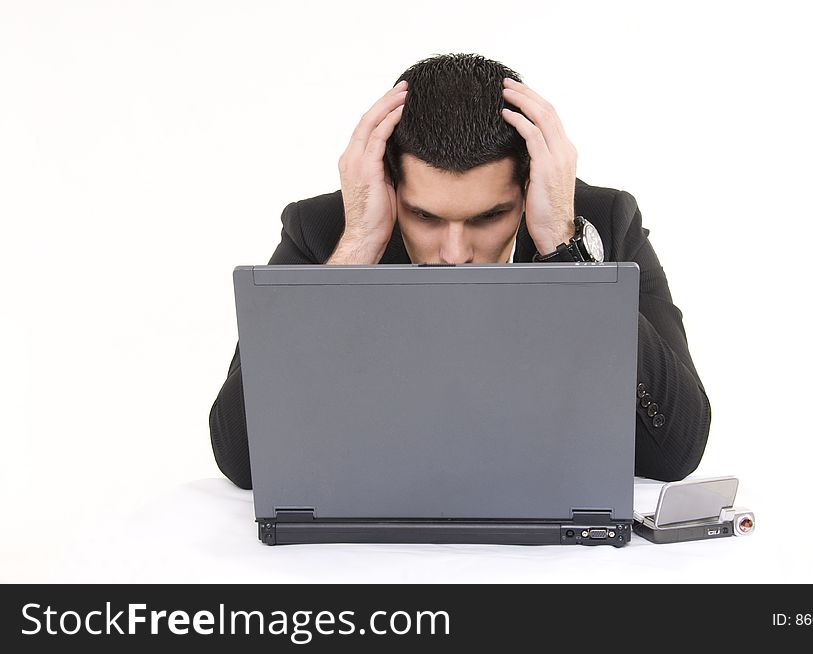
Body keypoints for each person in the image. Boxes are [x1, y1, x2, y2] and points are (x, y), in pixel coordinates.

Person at [209, 53, 711, 490]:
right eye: (425, 215)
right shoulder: (327, 232)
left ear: (531, 186)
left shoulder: (601, 224)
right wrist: (355, 253)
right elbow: (242, 458)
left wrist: (568, 256)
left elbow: (675, 451)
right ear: (389, 187)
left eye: (488, 216)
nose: (454, 252)